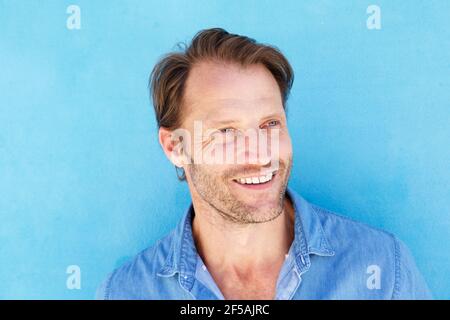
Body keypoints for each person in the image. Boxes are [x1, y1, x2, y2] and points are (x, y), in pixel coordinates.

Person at [97, 28, 432, 300]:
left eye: (270, 124)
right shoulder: (125, 293)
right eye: (226, 131)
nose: (259, 155)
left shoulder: (384, 268)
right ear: (175, 147)